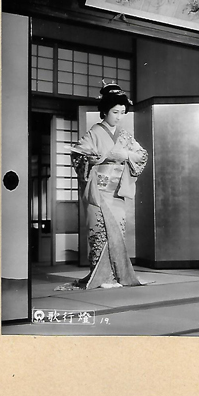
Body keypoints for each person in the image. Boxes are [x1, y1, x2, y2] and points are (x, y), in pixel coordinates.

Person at [56, 83, 150, 290]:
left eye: (122, 112)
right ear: (105, 111)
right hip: (98, 191)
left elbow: (141, 155)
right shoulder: (94, 133)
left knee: (117, 234)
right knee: (100, 233)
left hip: (117, 193)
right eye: (115, 112)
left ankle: (116, 276)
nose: (119, 117)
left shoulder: (125, 136)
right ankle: (102, 277)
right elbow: (78, 155)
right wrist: (92, 159)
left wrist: (125, 154)